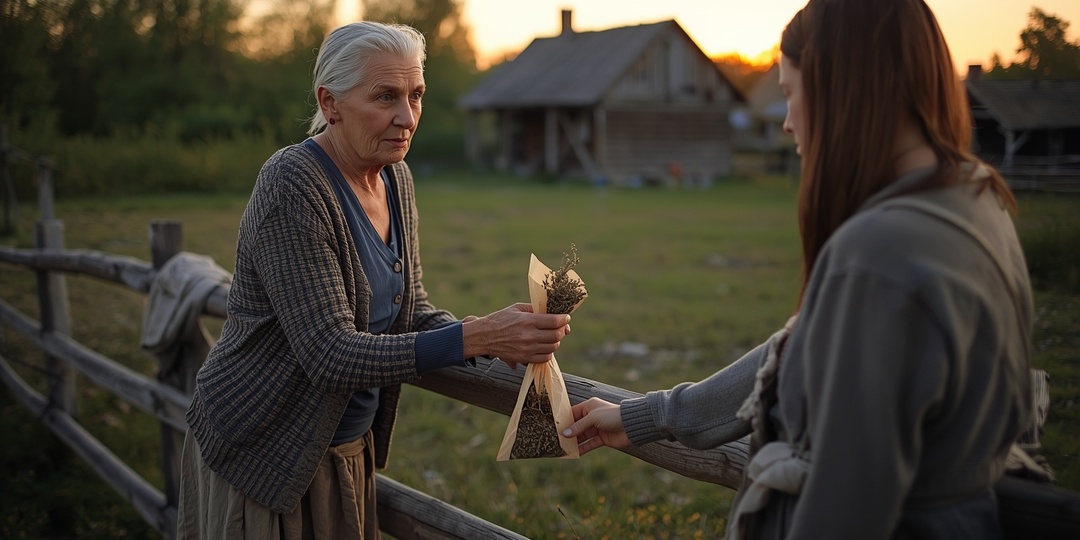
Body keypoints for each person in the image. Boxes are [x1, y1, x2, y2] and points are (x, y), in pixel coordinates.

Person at [565, 1, 1034, 538]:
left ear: (843, 89)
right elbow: (796, 347)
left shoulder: (877, 253)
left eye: (790, 93)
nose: (787, 121)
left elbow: (844, 506)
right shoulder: (975, 199)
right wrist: (645, 417)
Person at [176, 21, 572, 539]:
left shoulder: (394, 176)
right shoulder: (292, 185)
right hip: (261, 448)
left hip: (343, 447)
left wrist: (492, 337)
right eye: (385, 96)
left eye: (416, 95)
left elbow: (411, 308)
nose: (406, 117)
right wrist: (475, 337)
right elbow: (328, 353)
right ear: (331, 102)